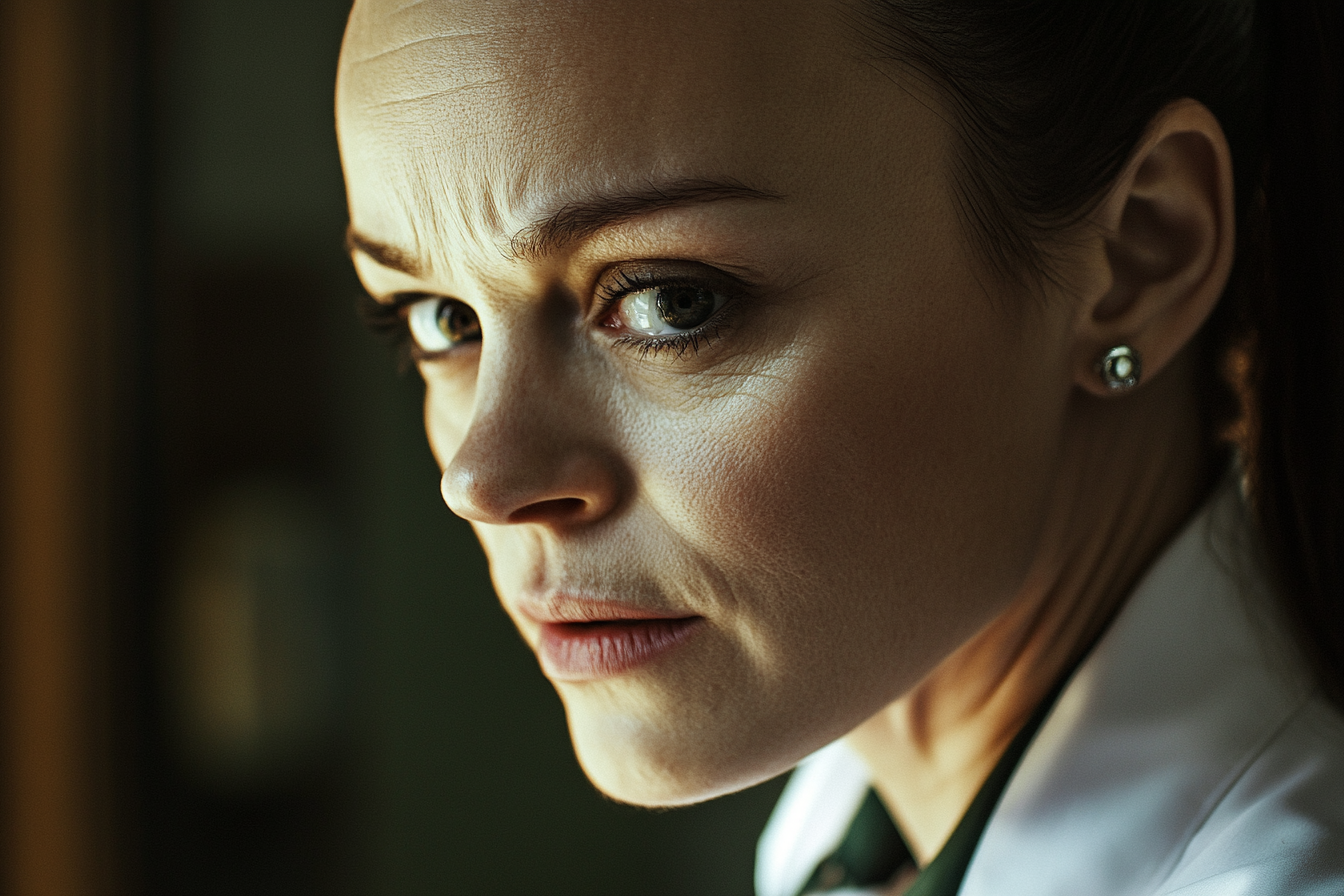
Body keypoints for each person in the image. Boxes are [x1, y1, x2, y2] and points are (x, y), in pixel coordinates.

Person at [335, 0, 1344, 892]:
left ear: (1139, 257)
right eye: (437, 319)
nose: (483, 478)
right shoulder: (846, 815)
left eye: (671, 301)